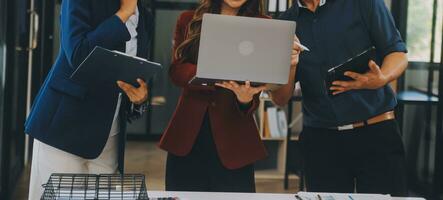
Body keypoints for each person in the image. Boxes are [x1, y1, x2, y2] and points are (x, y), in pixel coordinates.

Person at [272, 0, 409, 196]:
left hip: (375, 133)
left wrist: (382, 78)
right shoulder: (285, 23)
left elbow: (397, 53)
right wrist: (290, 65)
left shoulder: (364, 4)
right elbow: (280, 98)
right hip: (321, 140)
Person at [159, 0, 298, 192]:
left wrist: (245, 99)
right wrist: (211, 71)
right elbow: (176, 71)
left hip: (235, 140)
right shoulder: (189, 19)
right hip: (187, 138)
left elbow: (263, 78)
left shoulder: (265, 25)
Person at [25, 0, 153, 199]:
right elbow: (78, 54)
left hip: (109, 133)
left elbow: (132, 70)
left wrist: (139, 98)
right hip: (65, 127)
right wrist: (123, 13)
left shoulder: (144, 15)